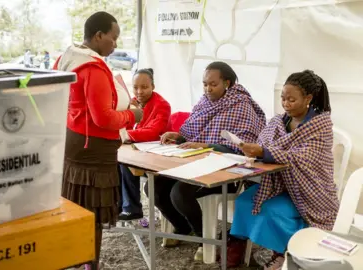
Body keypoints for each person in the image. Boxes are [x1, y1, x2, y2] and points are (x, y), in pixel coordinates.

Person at [148, 61, 266, 260]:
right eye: (204, 84)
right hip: (195, 164)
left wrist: (207, 146)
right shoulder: (204, 102)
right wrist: (178, 137)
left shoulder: (241, 105)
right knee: (154, 187)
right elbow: (194, 136)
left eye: (213, 84)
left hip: (226, 172)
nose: (207, 89)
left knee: (180, 192)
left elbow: (242, 149)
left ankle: (205, 240)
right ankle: (184, 227)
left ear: (227, 83)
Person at [53, 11, 143, 270]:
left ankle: (70, 258)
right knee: (91, 213)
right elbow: (103, 118)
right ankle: (90, 265)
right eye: (113, 38)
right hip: (94, 149)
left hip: (72, 141)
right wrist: (131, 114)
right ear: (99, 35)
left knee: (73, 207)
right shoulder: (93, 67)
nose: (115, 44)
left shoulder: (66, 58)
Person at [228, 70, 339, 269]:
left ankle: (287, 253)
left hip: (312, 191)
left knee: (270, 209)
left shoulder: (321, 126)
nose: (286, 103)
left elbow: (301, 158)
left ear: (308, 98)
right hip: (280, 184)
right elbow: (264, 142)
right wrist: (255, 150)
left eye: (291, 99)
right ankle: (239, 246)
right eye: (283, 98)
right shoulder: (279, 122)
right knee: (245, 200)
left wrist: (264, 151)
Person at [118, 68, 171, 220]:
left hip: (158, 154)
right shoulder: (134, 104)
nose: (139, 91)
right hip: (140, 149)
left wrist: (125, 135)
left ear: (153, 87)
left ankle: (132, 208)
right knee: (114, 160)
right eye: (135, 87)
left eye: (144, 87)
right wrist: (131, 111)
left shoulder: (162, 105)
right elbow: (126, 127)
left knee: (126, 162)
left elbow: (153, 132)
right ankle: (118, 205)